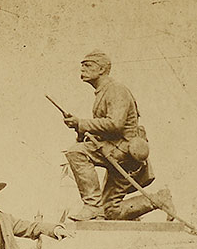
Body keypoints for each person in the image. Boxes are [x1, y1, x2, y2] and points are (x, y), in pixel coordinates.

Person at [60, 50, 175, 221]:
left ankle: (92, 205)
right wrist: (80, 130)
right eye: (82, 66)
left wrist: (81, 123)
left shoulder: (116, 90)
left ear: (102, 70)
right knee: (111, 211)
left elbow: (115, 124)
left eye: (88, 65)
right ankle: (158, 200)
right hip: (117, 151)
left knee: (76, 152)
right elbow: (105, 129)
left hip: (124, 152)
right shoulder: (103, 92)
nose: (82, 69)